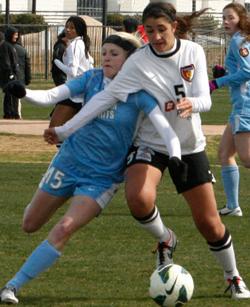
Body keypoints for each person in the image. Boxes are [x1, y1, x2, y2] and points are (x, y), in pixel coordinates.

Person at [39, 2, 250, 299]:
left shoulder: (193, 52)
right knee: (138, 198)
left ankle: (233, 276)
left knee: (209, 223)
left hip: (189, 146)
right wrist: (63, 130)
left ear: (174, 27)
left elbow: (205, 99)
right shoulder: (138, 62)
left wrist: (191, 104)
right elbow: (105, 98)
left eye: (161, 30)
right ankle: (165, 239)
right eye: (149, 31)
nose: (156, 37)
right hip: (150, 142)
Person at [0, 32, 185, 304]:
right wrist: (25, 93)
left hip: (101, 178)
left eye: (114, 54)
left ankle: (12, 286)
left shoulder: (140, 95)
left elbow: (166, 130)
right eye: (105, 52)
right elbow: (54, 94)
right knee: (30, 224)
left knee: (64, 228)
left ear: (130, 60)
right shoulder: (92, 79)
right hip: (68, 163)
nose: (106, 58)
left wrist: (176, 157)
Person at [209, 2, 250, 217]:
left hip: (245, 104)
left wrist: (218, 82)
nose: (226, 22)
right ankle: (233, 206)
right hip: (239, 105)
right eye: (224, 17)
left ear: (241, 19)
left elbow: (247, 72)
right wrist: (224, 71)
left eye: (230, 18)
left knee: (247, 158)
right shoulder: (240, 39)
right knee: (224, 153)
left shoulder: (238, 40)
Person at [50, 16, 94, 128]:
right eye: (67, 26)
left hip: (75, 92)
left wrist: (57, 63)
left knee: (54, 129)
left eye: (72, 27)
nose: (68, 30)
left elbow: (73, 72)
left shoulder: (75, 45)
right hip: (83, 91)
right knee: (71, 131)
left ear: (79, 30)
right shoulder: (79, 43)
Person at [0, 26, 19, 119]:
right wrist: (10, 73)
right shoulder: (5, 45)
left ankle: (14, 112)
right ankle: (8, 113)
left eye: (17, 35)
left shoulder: (11, 45)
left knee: (13, 95)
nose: (16, 36)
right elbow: (6, 61)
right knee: (9, 94)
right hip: (8, 75)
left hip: (13, 74)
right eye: (15, 35)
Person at [13, 32, 31, 119]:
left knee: (8, 97)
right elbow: (27, 65)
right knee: (17, 98)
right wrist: (28, 79)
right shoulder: (23, 50)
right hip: (20, 77)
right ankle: (17, 115)